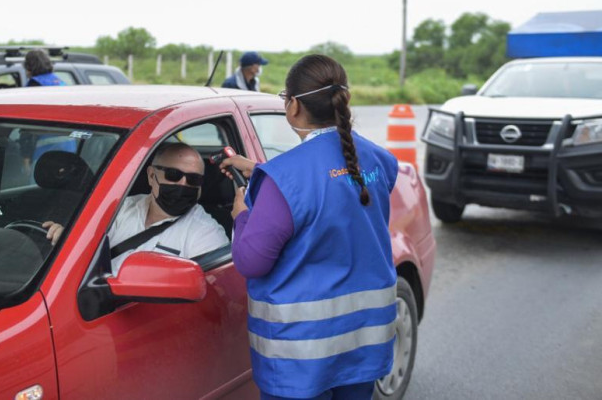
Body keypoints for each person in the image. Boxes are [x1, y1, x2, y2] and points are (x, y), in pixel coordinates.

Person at [220, 54, 399, 400]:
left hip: (300, 359)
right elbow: (335, 196)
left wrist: (242, 215)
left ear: (293, 107)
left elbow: (250, 262)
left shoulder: (283, 179)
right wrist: (261, 172)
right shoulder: (380, 160)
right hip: (365, 344)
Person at [43, 143, 229, 274]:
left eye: (193, 180)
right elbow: (88, 248)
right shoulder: (120, 208)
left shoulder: (207, 234)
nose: (183, 184)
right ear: (150, 175)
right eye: (173, 175)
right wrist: (66, 239)